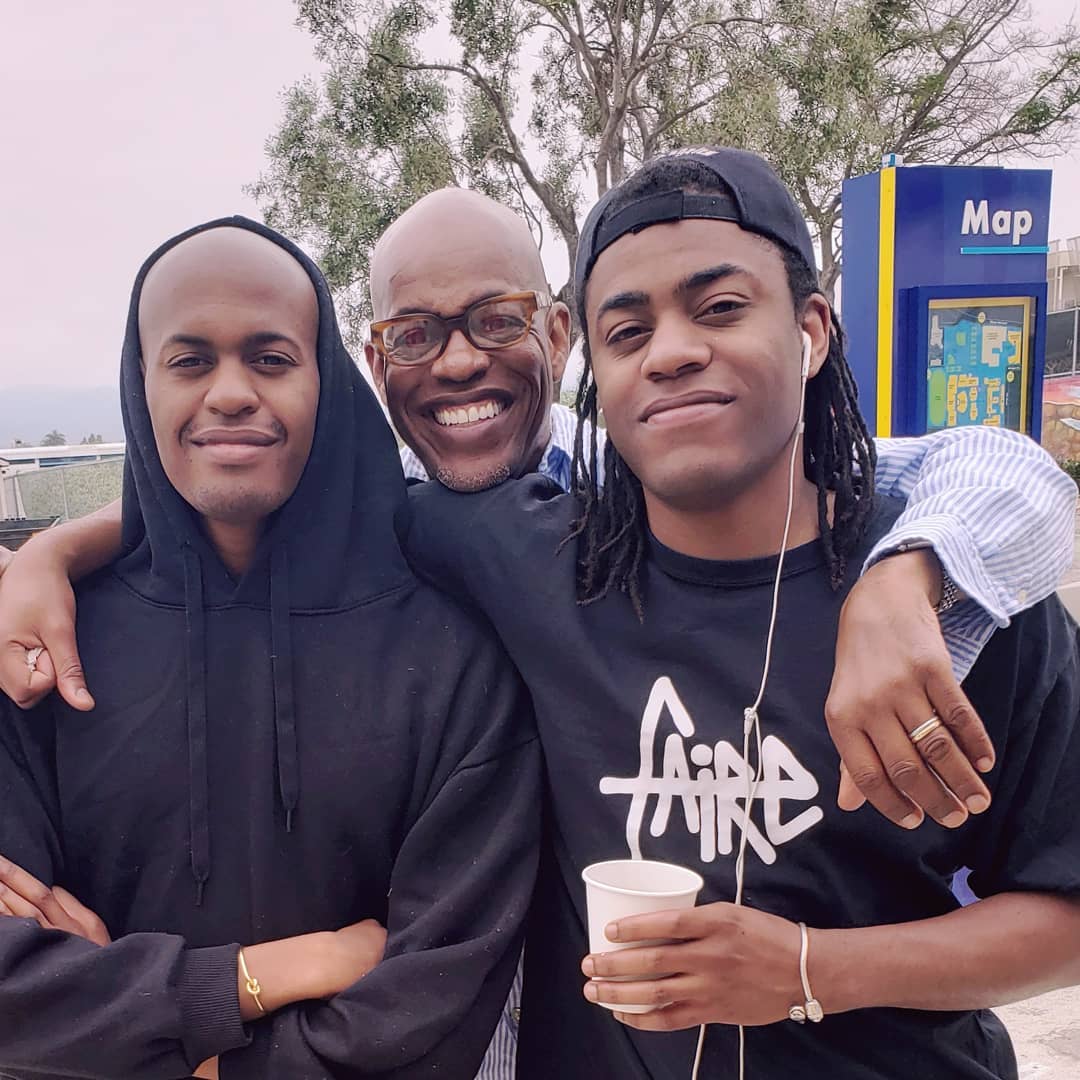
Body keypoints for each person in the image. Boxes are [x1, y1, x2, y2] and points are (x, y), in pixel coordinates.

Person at [0, 188, 1076, 1075]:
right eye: (416, 334)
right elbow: (241, 487)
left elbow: (980, 471)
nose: (670, 356)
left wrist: (912, 580)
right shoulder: (488, 541)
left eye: (499, 319)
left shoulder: (940, 579)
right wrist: (56, 552)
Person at [399, 149, 1080, 1079]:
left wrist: (812, 970)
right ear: (590, 366)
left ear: (811, 330)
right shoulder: (533, 559)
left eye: (719, 308)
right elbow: (291, 506)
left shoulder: (957, 595)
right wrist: (121, 541)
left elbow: (1066, 916)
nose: (673, 351)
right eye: (628, 332)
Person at [0, 217, 539, 1079]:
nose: (230, 393)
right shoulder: (43, 654)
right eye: (189, 361)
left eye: (272, 357)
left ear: (327, 381)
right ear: (141, 387)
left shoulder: (455, 654)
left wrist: (164, 1048)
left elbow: (437, 1000)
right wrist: (241, 982)